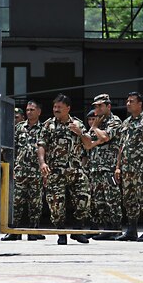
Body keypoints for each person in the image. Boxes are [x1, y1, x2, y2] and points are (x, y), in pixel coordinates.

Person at [37, 93, 94, 245]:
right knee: (56, 204)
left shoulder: (78, 124)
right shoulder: (48, 125)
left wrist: (80, 133)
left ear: (68, 108)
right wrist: (42, 163)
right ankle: (61, 232)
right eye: (55, 107)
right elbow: (42, 145)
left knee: (84, 198)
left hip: (75, 169)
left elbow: (88, 145)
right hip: (55, 170)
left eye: (59, 107)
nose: (56, 109)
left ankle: (77, 230)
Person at [114, 92, 143, 242]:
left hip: (141, 168)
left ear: (140, 104)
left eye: (131, 101)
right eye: (127, 101)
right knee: (129, 199)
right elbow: (122, 146)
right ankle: (131, 230)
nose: (127, 103)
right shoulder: (125, 123)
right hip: (127, 170)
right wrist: (118, 167)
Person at [4, 100, 45, 241]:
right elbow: (12, 149)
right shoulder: (19, 127)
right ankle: (14, 231)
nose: (29, 112)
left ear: (39, 111)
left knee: (36, 203)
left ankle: (33, 231)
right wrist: (11, 166)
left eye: (32, 110)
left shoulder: (44, 128)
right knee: (16, 202)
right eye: (27, 110)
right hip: (20, 170)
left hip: (36, 172)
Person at [86, 94, 122, 240]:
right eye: (95, 106)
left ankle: (116, 229)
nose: (97, 108)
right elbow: (88, 144)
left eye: (100, 106)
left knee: (112, 199)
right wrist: (97, 134)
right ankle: (107, 229)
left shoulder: (115, 121)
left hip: (109, 167)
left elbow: (106, 137)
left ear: (108, 106)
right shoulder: (98, 123)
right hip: (95, 167)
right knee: (99, 201)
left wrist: (95, 129)